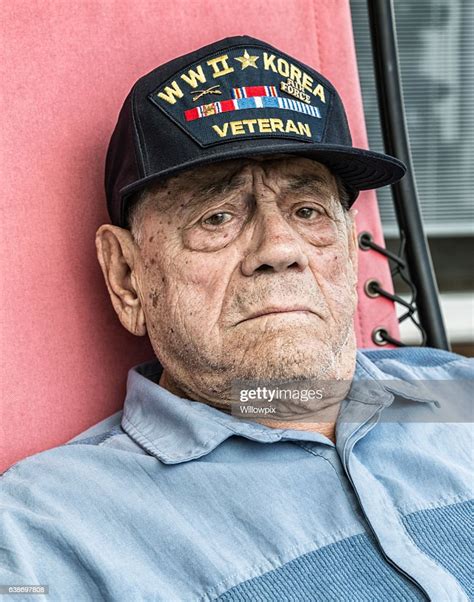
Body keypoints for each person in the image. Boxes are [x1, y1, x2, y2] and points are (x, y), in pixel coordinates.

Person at [1, 35, 472, 602]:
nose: (279, 246)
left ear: (349, 249)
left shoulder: (452, 394)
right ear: (127, 276)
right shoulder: (48, 527)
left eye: (307, 210)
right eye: (217, 216)